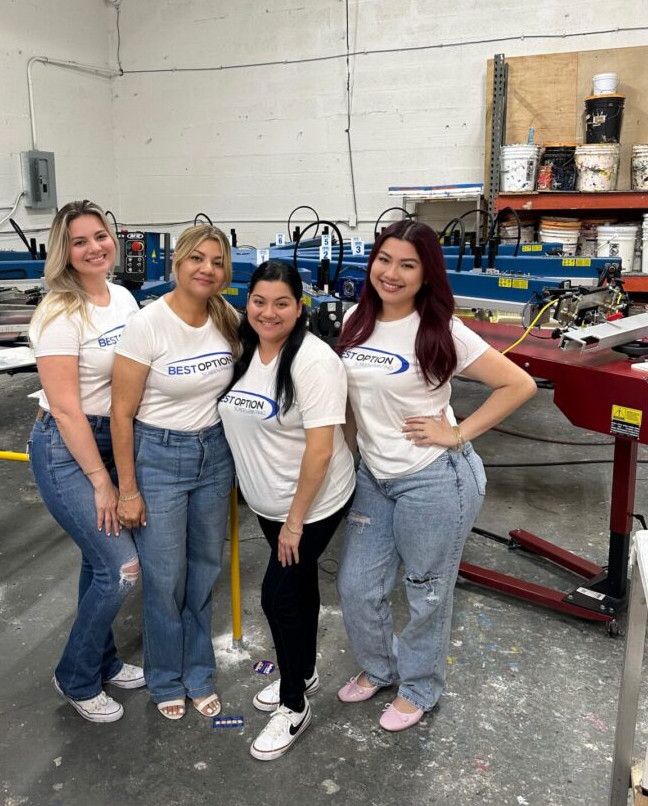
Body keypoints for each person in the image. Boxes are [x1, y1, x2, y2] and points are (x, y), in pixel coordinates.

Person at [335, 220, 536, 731]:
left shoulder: (441, 328)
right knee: (357, 585)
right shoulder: (356, 318)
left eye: (408, 264)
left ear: (426, 274)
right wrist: (349, 450)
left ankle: (420, 687)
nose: (392, 273)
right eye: (385, 259)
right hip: (375, 478)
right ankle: (382, 668)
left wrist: (458, 432)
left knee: (425, 589)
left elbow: (518, 384)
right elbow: (353, 399)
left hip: (434, 480)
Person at [218, 261, 356, 760]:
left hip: (313, 504)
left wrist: (295, 523)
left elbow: (321, 449)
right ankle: (306, 668)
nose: (268, 312)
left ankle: (294, 704)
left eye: (282, 303)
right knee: (299, 589)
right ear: (247, 302)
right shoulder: (245, 350)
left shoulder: (314, 362)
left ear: (300, 308)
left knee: (277, 598)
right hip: (268, 500)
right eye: (259, 301)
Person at [111, 224, 239, 721]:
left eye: (217, 261)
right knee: (166, 578)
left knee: (204, 571)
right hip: (159, 457)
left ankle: (199, 673)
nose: (207, 268)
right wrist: (127, 489)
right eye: (197, 259)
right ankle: (165, 676)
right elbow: (122, 413)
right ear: (177, 264)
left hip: (214, 455)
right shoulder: (147, 325)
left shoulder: (225, 317)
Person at [28, 200, 145, 724]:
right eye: (80, 241)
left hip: (112, 438)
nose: (95, 247)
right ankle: (75, 676)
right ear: (65, 251)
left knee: (96, 560)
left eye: (100, 236)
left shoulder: (122, 298)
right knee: (122, 567)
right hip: (66, 448)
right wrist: (102, 481)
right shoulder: (58, 312)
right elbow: (67, 408)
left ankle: (103, 660)